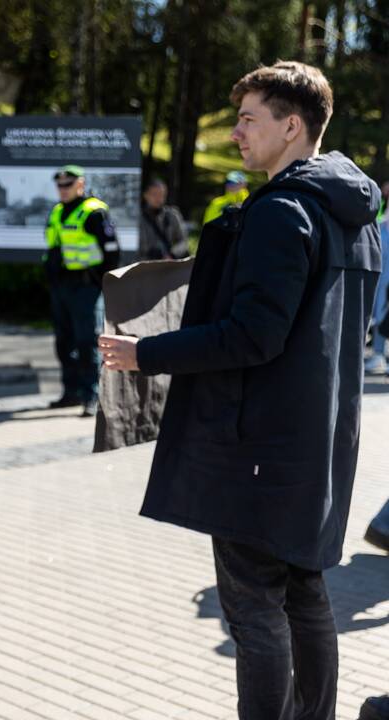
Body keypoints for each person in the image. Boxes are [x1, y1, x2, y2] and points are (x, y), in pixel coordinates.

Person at [100, 61, 382, 720]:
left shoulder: (282, 211)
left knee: (256, 612)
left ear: (292, 125)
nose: (236, 133)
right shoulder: (352, 213)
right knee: (305, 595)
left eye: (249, 118)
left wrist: (146, 353)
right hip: (318, 440)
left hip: (256, 443)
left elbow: (255, 335)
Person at [45, 164, 120, 417]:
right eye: (60, 185)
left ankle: (91, 395)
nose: (63, 190)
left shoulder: (94, 212)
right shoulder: (57, 212)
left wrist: (101, 282)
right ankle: (71, 392)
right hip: (62, 287)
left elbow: (112, 251)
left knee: (87, 340)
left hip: (86, 286)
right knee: (63, 341)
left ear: (81, 184)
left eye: (68, 185)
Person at [365, 180, 389, 373]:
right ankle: (379, 354)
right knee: (380, 311)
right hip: (382, 275)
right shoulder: (382, 226)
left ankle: (381, 354)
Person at [138, 178, 187, 260]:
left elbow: (183, 242)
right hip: (143, 265)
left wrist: (172, 254)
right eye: (154, 194)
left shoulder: (172, 215)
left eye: (162, 195)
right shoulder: (138, 218)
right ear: (145, 195)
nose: (158, 198)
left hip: (168, 264)